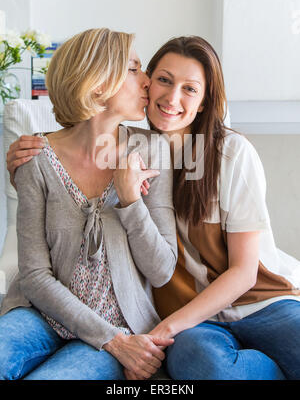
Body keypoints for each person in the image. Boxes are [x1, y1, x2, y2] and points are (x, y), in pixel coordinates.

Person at [7, 35, 300, 381]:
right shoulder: (57, 155)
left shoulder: (222, 154)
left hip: (255, 302)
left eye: (190, 89)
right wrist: (27, 165)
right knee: (205, 365)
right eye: (160, 78)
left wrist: (156, 334)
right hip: (188, 319)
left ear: (205, 101)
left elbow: (240, 271)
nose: (166, 94)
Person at [0, 28, 177, 381]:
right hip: (40, 315)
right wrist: (111, 341)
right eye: (134, 69)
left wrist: (130, 200)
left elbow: (161, 270)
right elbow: (35, 276)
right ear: (97, 83)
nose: (147, 82)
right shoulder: (36, 156)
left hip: (120, 322)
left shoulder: (152, 150)